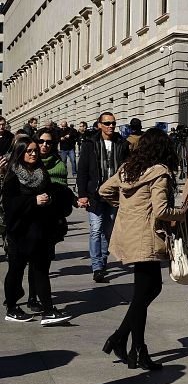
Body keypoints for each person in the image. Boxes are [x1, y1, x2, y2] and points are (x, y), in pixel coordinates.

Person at [98, 128, 184, 370]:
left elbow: (104, 190)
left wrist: (126, 207)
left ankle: (126, 341)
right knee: (145, 292)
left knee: (148, 289)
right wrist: (183, 214)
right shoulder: (159, 172)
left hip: (130, 233)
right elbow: (161, 210)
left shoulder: (128, 168)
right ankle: (133, 346)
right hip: (147, 235)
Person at [3, 136, 73, 325]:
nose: (34, 153)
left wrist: (50, 199)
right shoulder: (12, 175)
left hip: (40, 231)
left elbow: (50, 191)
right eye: (29, 151)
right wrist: (33, 201)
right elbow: (9, 205)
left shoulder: (42, 172)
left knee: (41, 270)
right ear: (20, 153)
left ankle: (48, 310)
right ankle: (11, 308)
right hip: (19, 232)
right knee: (16, 270)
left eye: (35, 150)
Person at [77, 112, 130, 283]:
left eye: (113, 123)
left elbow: (127, 167)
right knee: (95, 230)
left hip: (114, 194)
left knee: (108, 231)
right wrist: (82, 194)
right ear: (99, 125)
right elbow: (82, 170)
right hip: (95, 194)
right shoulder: (90, 143)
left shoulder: (122, 143)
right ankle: (97, 267)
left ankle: (103, 260)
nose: (111, 126)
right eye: (107, 123)